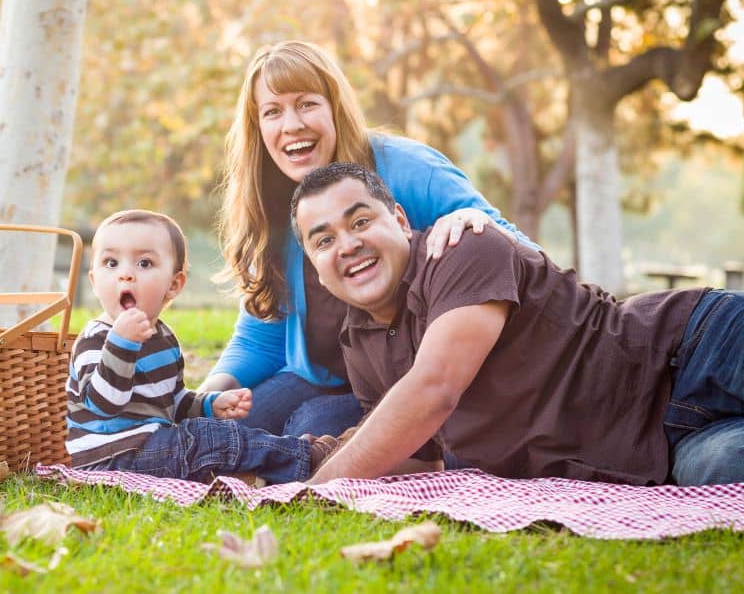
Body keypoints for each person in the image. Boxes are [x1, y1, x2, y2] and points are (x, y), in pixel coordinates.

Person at [290, 161, 744, 486]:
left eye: (361, 221)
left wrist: (316, 489)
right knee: (728, 469)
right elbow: (413, 454)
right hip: (659, 446)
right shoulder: (358, 340)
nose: (347, 245)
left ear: (401, 220)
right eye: (324, 240)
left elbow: (434, 388)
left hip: (689, 349)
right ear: (316, 267)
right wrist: (313, 457)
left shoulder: (461, 250)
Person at [198, 40, 535, 440]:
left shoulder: (411, 170)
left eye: (306, 104)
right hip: (321, 378)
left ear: (335, 108)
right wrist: (202, 398)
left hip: (412, 377)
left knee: (307, 429)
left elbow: (524, 256)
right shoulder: (271, 203)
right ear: (259, 128)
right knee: (213, 432)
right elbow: (262, 335)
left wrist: (475, 220)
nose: (291, 125)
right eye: (272, 112)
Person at [65, 209, 338, 484]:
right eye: (111, 263)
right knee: (206, 439)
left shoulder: (163, 338)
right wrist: (121, 343)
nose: (125, 275)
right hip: (111, 458)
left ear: (173, 285)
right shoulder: (96, 339)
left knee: (211, 432)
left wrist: (211, 405)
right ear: (94, 282)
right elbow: (103, 405)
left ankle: (268, 467)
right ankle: (307, 457)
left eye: (144, 264)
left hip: (152, 448)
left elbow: (173, 401)